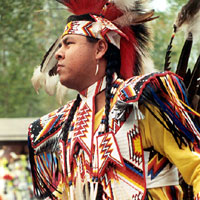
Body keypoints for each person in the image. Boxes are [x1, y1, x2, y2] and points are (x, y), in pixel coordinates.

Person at [28, 0, 200, 199]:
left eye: (68, 43)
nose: (58, 53)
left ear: (100, 48)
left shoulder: (141, 104)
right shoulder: (62, 126)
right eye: (60, 46)